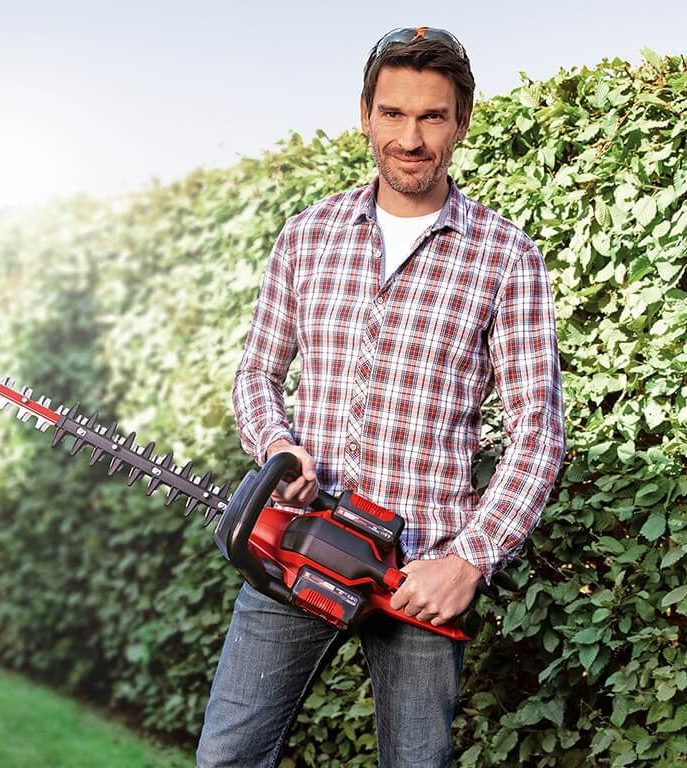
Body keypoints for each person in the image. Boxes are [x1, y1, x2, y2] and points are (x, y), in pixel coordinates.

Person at [196, 26, 566, 768]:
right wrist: (277, 447)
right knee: (227, 759)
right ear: (365, 114)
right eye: (394, 114)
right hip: (299, 543)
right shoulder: (309, 235)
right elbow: (256, 375)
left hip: (419, 571)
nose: (412, 137)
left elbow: (538, 432)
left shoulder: (505, 255)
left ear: (461, 122)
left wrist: (470, 559)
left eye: (432, 116)